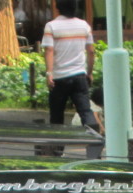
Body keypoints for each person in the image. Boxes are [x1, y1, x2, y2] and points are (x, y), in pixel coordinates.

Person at [41, 0, 98, 133]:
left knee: (56, 116)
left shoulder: (51, 26)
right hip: (79, 76)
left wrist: (49, 73)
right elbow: (91, 51)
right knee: (86, 112)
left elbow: (49, 50)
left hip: (59, 78)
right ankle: (94, 145)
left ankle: (57, 150)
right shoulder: (84, 25)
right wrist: (89, 73)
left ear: (58, 8)